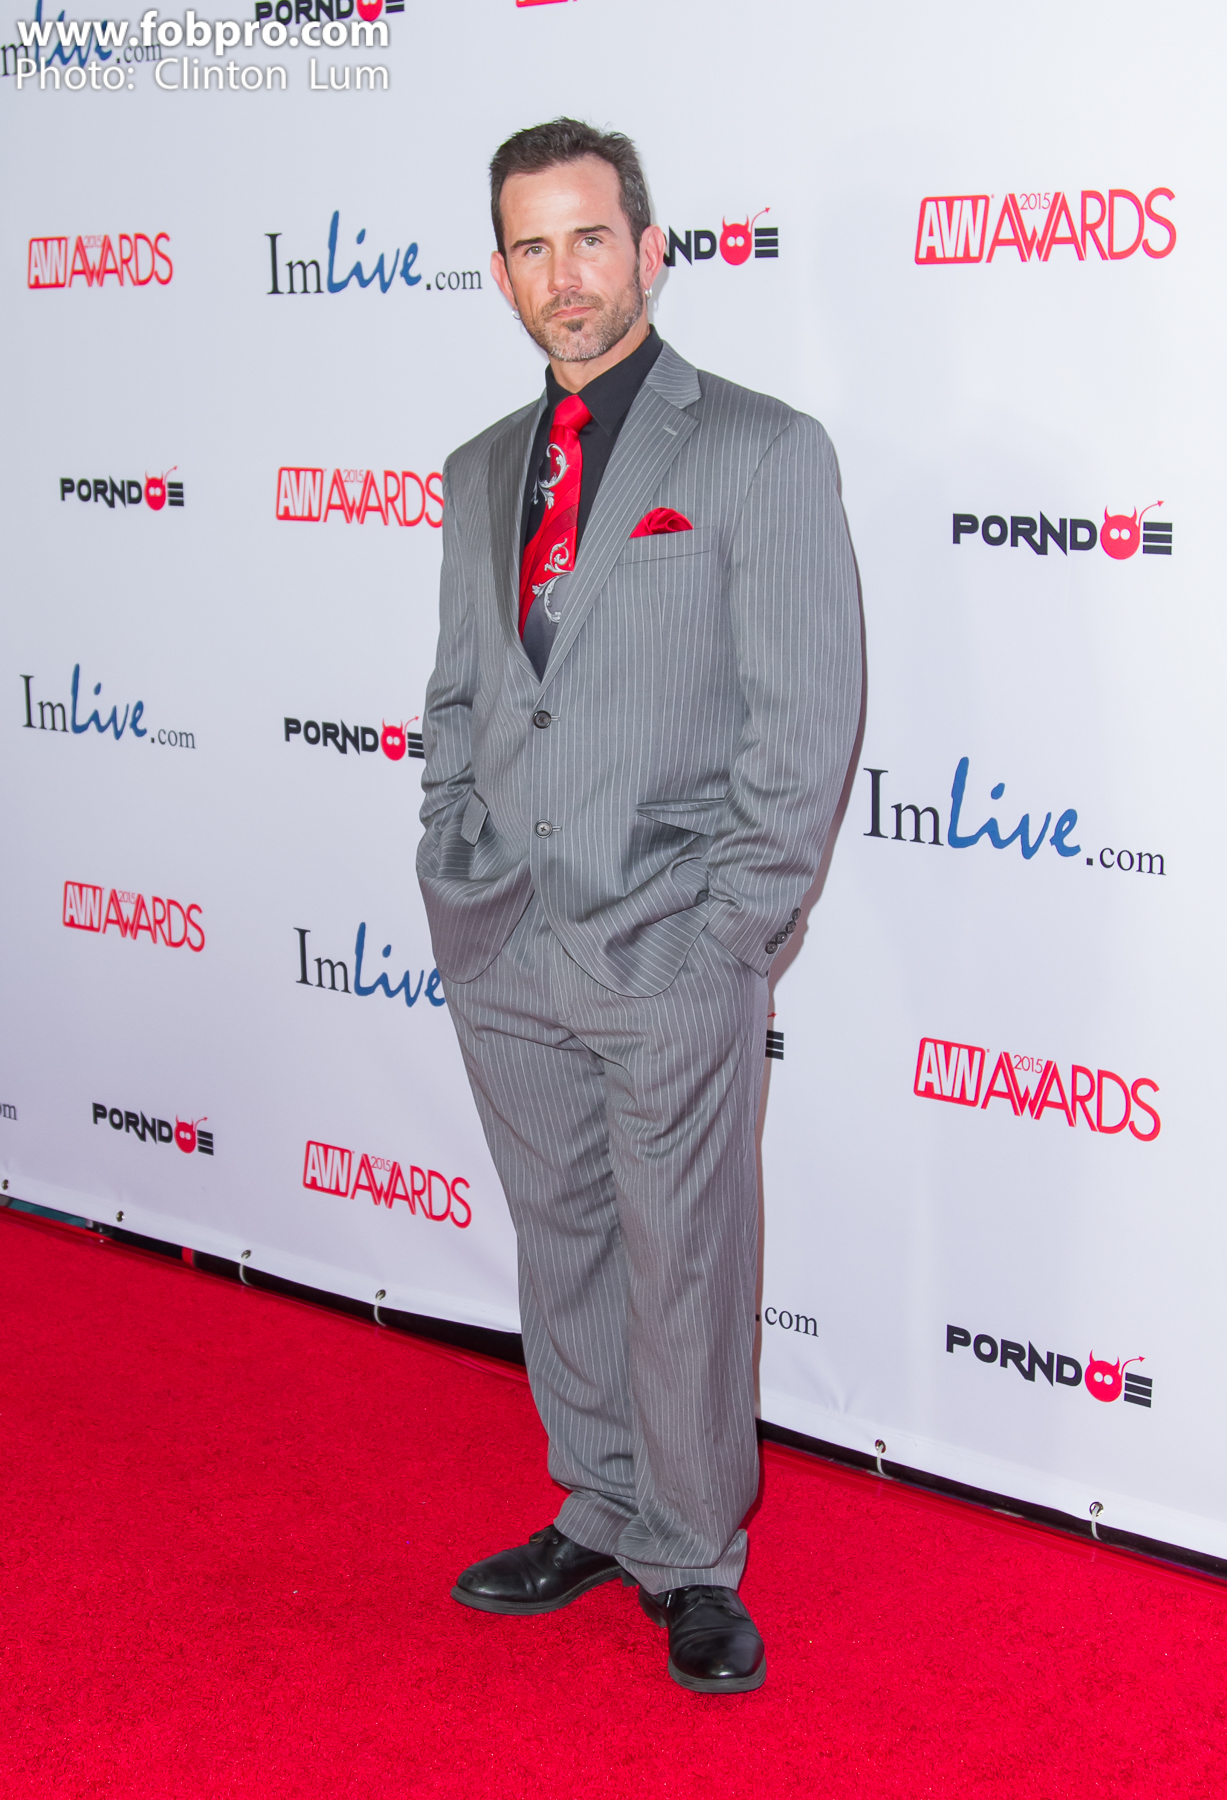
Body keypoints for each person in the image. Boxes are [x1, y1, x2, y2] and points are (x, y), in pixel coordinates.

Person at [417, 118, 860, 1694]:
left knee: (686, 1259)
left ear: (651, 251)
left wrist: (727, 938)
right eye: (533, 247)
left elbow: (804, 726)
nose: (566, 276)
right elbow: (463, 697)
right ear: (502, 273)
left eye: (590, 238)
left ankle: (693, 1556)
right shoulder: (481, 470)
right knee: (565, 1244)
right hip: (507, 941)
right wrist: (451, 861)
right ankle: (599, 1504)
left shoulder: (758, 449)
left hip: (670, 943)